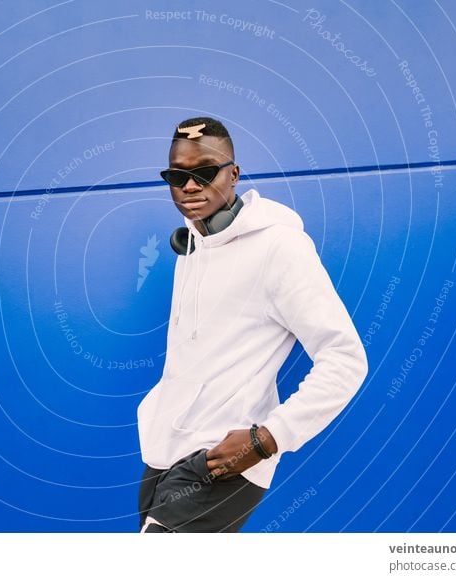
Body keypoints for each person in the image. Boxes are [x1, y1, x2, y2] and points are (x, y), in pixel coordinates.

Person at [136, 116, 369, 533]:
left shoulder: (280, 248)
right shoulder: (193, 243)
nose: (189, 186)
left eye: (204, 173)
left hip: (223, 457)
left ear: (234, 174)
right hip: (164, 453)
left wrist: (267, 439)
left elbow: (345, 359)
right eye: (177, 175)